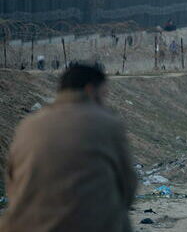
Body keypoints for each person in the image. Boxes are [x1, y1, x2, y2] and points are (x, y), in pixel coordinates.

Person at [0, 64, 137, 232]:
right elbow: (127, 186)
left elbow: (12, 181)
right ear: (90, 90)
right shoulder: (107, 123)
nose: (104, 99)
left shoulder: (28, 124)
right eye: (104, 94)